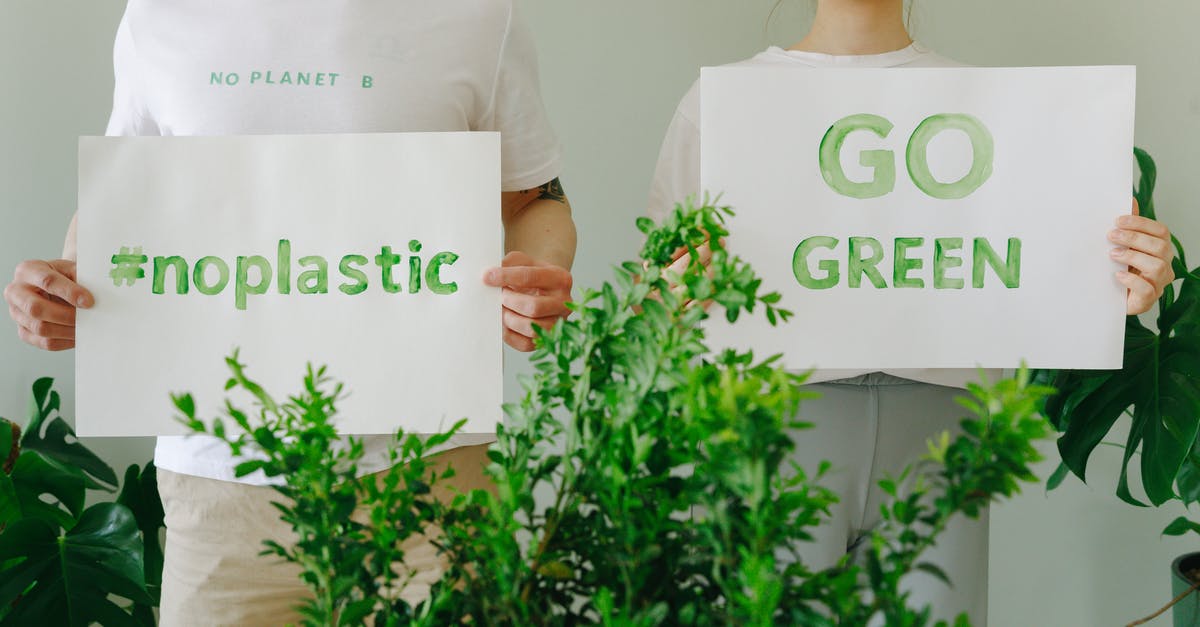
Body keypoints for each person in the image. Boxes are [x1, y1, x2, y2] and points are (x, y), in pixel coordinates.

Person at [3, 1, 575, 624]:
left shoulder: (477, 14)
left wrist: (537, 278)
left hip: (430, 472)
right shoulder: (160, 16)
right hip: (221, 489)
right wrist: (65, 289)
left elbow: (535, 196)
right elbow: (128, 193)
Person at [647, 0, 1175, 623]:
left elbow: (1055, 272)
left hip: (940, 429)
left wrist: (1129, 276)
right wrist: (674, 289)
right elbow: (658, 300)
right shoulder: (717, 104)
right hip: (769, 422)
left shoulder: (1004, 111)